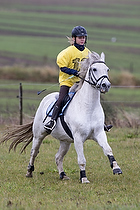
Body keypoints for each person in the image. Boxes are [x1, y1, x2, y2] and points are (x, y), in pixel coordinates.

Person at [44, 26, 112, 134]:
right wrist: (73, 72)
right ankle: (52, 121)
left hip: (81, 82)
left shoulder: (88, 53)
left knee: (93, 99)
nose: (82, 39)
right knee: (61, 98)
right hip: (67, 82)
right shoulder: (67, 52)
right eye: (80, 37)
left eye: (84, 37)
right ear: (74, 38)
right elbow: (62, 67)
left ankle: (100, 123)